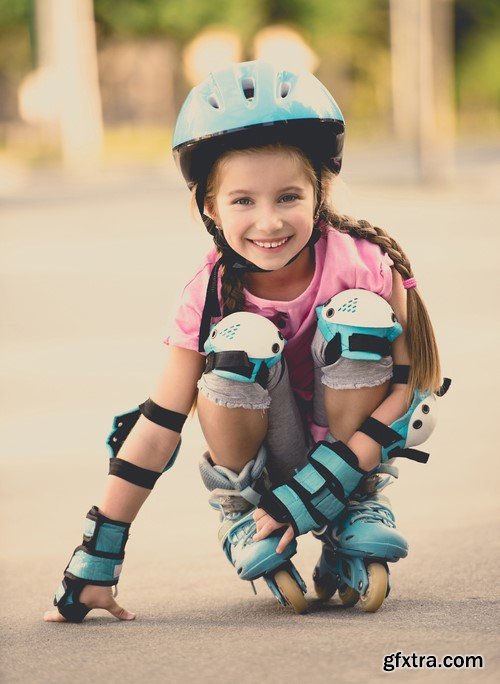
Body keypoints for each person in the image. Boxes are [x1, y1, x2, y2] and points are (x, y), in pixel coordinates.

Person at [44, 60, 446, 622]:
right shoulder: (206, 293)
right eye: (242, 201)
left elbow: (406, 398)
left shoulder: (366, 266)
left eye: (287, 197)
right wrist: (97, 554)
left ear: (319, 192)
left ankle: (354, 509)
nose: (268, 222)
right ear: (209, 208)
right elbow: (158, 426)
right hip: (257, 452)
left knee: (361, 315)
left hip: (354, 446)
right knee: (240, 339)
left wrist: (321, 488)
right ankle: (241, 511)